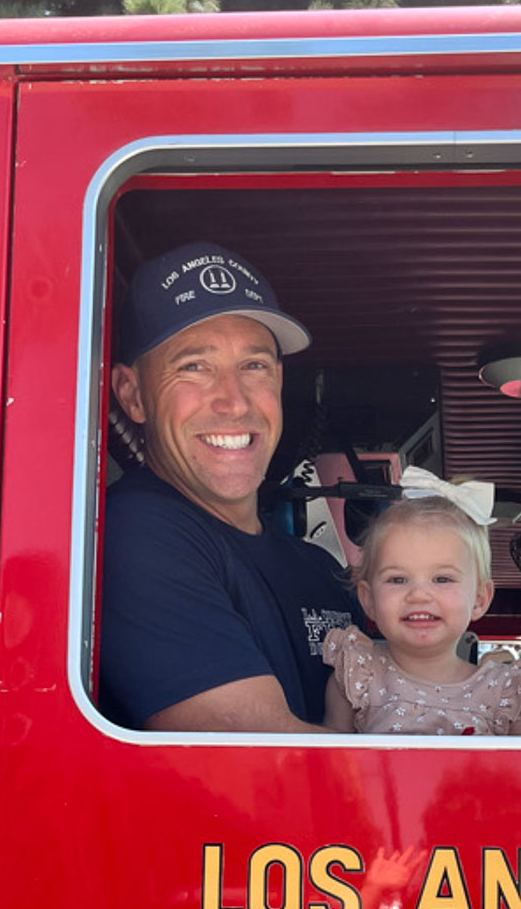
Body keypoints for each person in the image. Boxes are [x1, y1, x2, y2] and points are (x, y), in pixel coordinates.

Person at [98, 242, 360, 733]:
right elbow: (259, 760)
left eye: (254, 366)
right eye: (195, 367)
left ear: (279, 380)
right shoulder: (135, 534)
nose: (234, 402)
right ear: (132, 395)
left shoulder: (320, 569)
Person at [321, 471, 521, 736]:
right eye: (397, 579)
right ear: (368, 599)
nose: (419, 595)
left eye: (442, 578)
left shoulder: (506, 693)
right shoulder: (356, 677)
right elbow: (328, 766)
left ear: (479, 600)